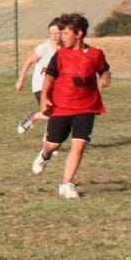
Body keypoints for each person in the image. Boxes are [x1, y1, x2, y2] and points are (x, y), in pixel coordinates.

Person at [30, 13, 110, 199]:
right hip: (61, 107)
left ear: (79, 33)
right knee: (54, 144)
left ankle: (66, 184)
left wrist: (105, 78)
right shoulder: (60, 55)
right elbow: (49, 77)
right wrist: (44, 99)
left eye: (65, 33)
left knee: (79, 145)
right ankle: (45, 155)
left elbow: (104, 69)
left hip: (87, 107)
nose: (62, 37)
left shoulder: (95, 54)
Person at [15, 18, 63, 134]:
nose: (54, 36)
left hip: (54, 86)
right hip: (40, 85)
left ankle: (45, 147)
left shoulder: (65, 48)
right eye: (51, 33)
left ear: (62, 33)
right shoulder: (44, 47)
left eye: (57, 33)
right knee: (50, 114)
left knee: (54, 116)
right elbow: (28, 62)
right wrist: (21, 80)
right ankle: (31, 118)